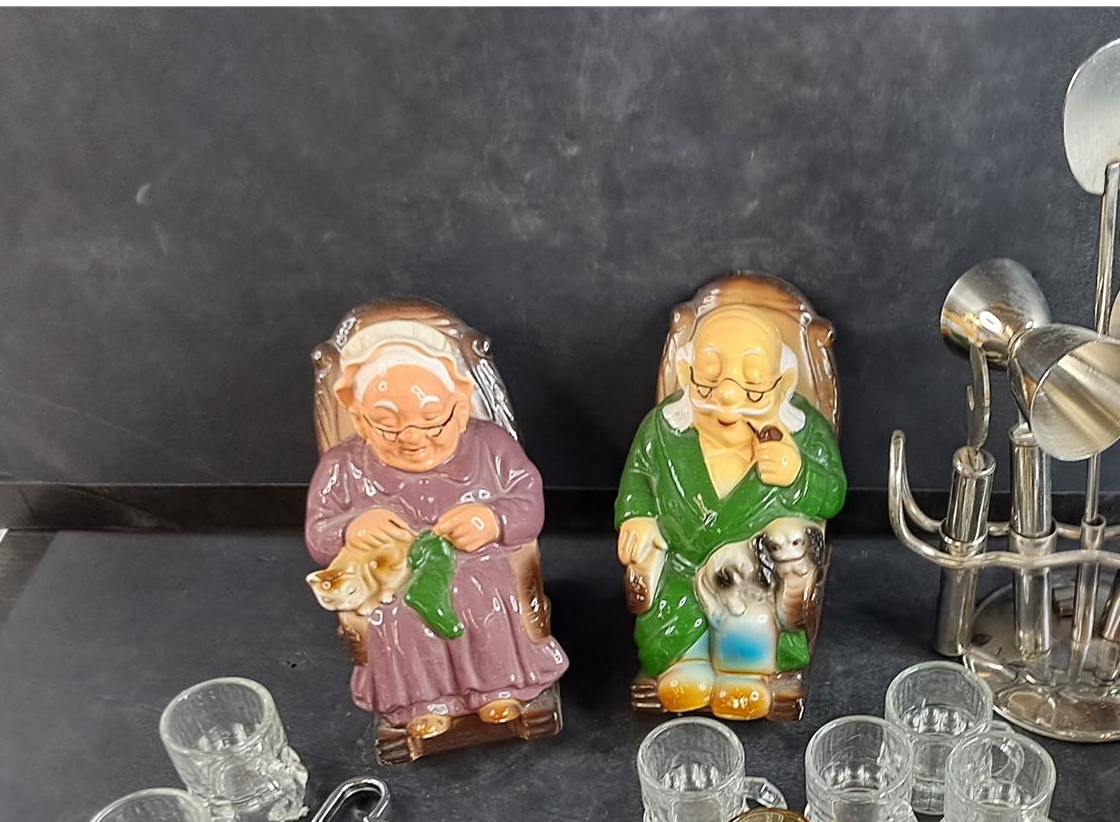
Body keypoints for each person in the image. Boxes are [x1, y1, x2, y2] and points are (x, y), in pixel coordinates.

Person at [306, 304, 567, 739]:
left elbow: (528, 501)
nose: (412, 438)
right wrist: (352, 528)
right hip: (389, 578)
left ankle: (499, 688)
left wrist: (492, 519)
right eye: (388, 426)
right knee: (396, 616)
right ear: (359, 418)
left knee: (482, 597)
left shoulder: (490, 446)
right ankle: (422, 703)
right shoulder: (343, 467)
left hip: (479, 564)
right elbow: (319, 534)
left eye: (431, 421)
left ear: (459, 407)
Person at [615, 300, 846, 717]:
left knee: (750, 620)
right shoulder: (662, 429)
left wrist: (798, 473)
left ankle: (745, 675)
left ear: (782, 384)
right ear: (686, 372)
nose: (727, 399)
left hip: (756, 579)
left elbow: (833, 494)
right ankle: (685, 664)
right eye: (707, 383)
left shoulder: (803, 432)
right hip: (681, 569)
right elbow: (638, 478)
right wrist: (638, 517)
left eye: (753, 389)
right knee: (672, 615)